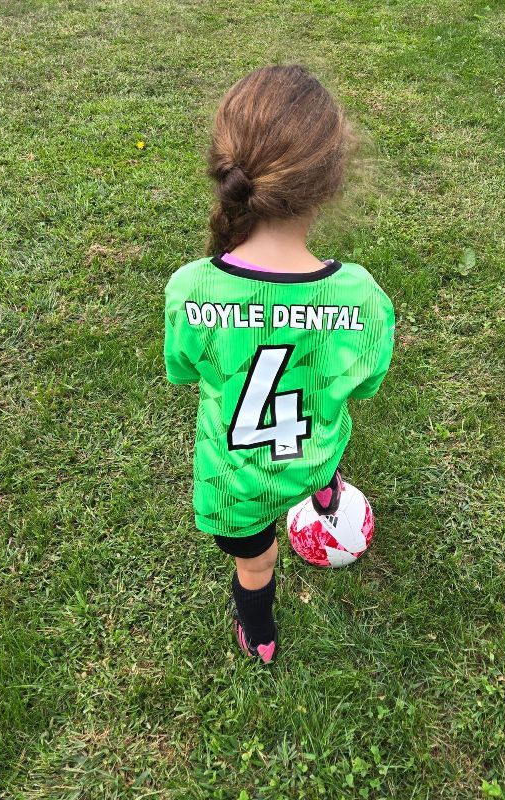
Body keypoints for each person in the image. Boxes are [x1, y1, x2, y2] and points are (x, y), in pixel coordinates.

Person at [163, 63, 395, 664]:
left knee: (256, 562)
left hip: (232, 483)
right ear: (330, 183)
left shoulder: (190, 289)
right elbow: (364, 386)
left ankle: (259, 631)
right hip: (312, 450)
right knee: (324, 443)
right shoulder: (362, 297)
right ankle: (323, 490)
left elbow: (185, 369)